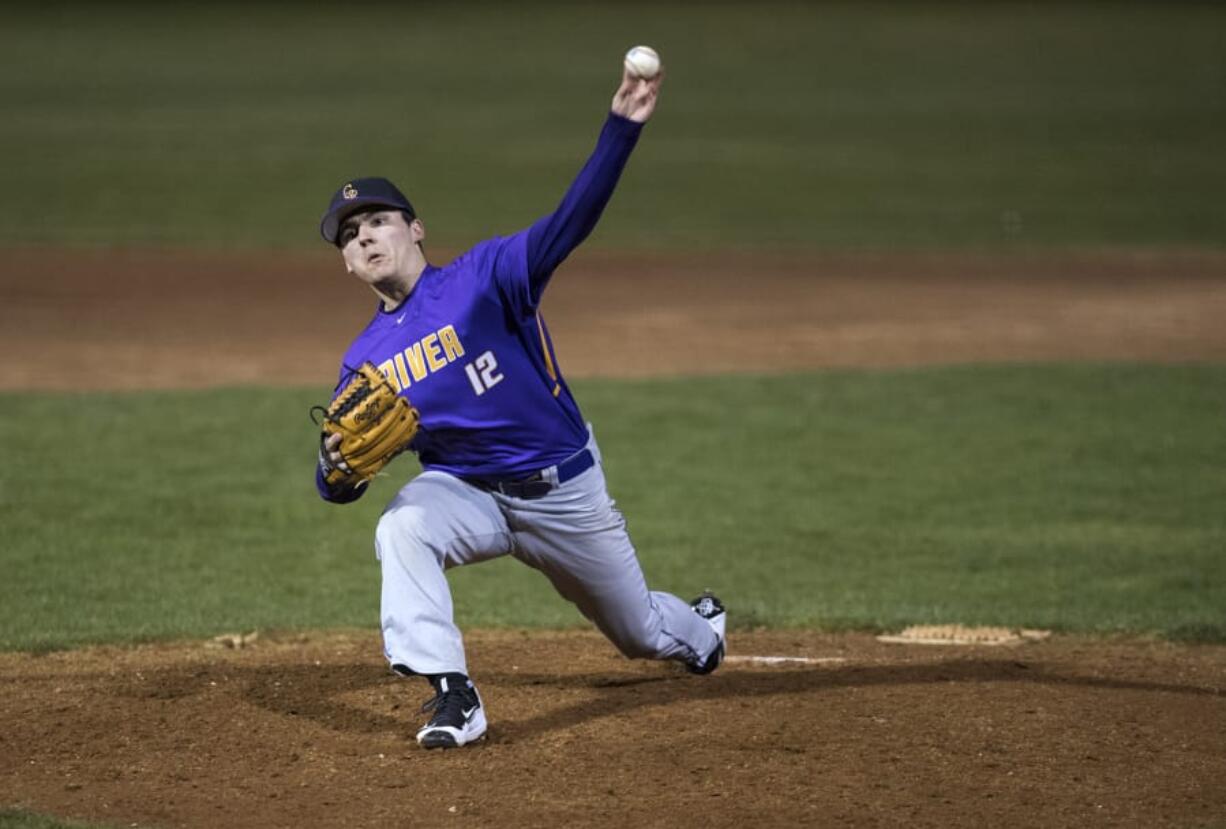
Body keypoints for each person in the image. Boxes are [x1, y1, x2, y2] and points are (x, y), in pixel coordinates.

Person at [314, 62, 725, 750]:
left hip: (563, 490)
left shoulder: (487, 276)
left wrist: (621, 127)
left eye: (377, 220)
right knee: (401, 528)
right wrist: (336, 471)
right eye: (349, 235)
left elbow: (572, 221)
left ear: (415, 230)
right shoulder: (365, 359)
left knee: (639, 632)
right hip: (467, 492)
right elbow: (333, 481)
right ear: (349, 265)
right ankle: (454, 694)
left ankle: (702, 632)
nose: (363, 236)